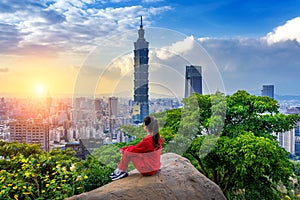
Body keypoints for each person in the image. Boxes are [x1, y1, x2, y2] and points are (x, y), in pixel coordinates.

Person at [110, 116, 163, 181]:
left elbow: (133, 151)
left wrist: (123, 150)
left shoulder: (147, 141)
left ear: (146, 127)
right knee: (130, 150)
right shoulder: (158, 137)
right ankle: (120, 170)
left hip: (148, 170)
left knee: (128, 153)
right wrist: (126, 148)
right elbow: (138, 149)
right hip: (155, 167)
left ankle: (120, 171)